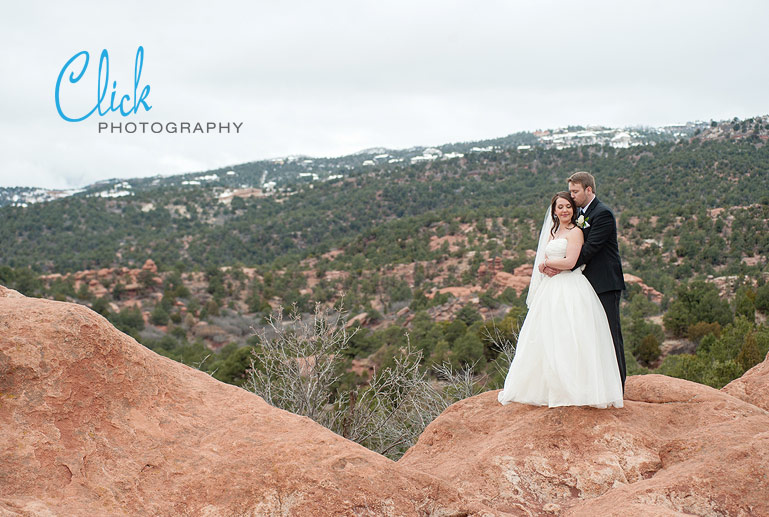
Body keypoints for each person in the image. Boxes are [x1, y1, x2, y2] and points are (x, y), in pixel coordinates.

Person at [497, 191, 623, 408]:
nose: (564, 210)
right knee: (548, 334)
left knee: (571, 334)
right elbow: (546, 257)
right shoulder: (553, 231)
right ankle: (547, 387)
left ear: (573, 210)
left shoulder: (576, 232)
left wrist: (549, 265)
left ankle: (574, 389)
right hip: (551, 287)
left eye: (568, 206)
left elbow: (571, 260)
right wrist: (544, 265)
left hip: (571, 286)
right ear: (554, 211)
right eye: (560, 207)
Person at [555, 172, 627, 390]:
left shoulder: (603, 213)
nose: (572, 196)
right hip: (585, 284)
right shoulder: (581, 213)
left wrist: (561, 266)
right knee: (592, 334)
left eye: (575, 192)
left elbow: (589, 249)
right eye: (571, 191)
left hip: (605, 283)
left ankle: (618, 385)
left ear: (589, 190)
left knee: (610, 334)